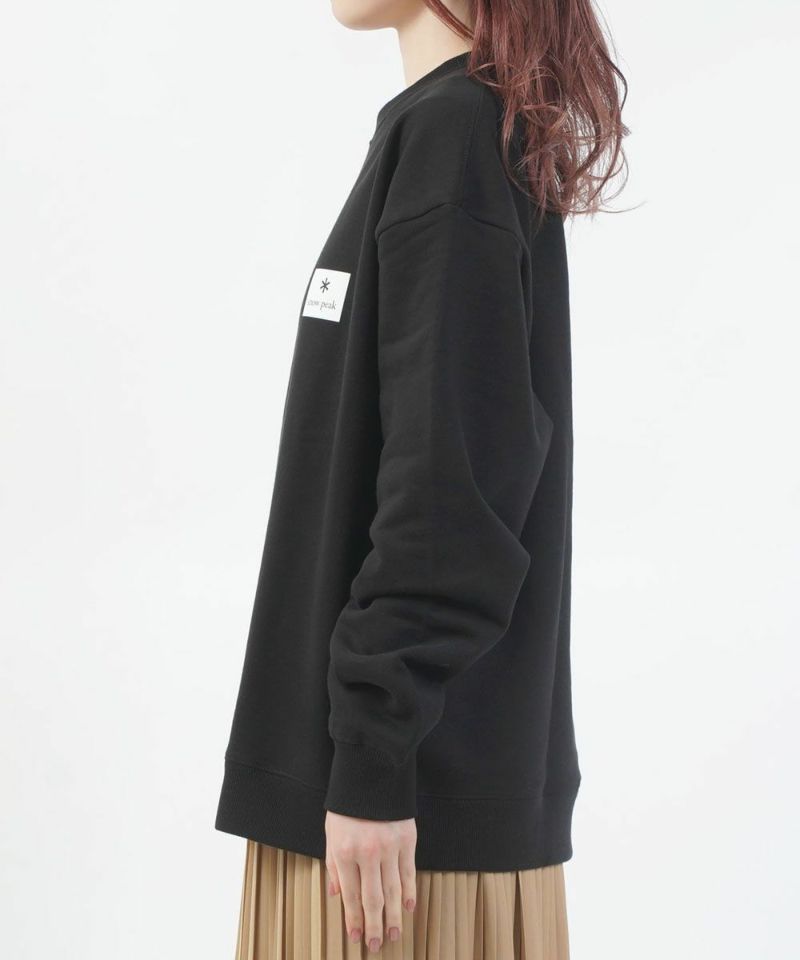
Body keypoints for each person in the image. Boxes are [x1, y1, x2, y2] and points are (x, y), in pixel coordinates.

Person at [215, 1, 627, 956]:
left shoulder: (454, 137)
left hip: (393, 833)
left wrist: (371, 756)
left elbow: (452, 490)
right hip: (386, 808)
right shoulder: (451, 130)